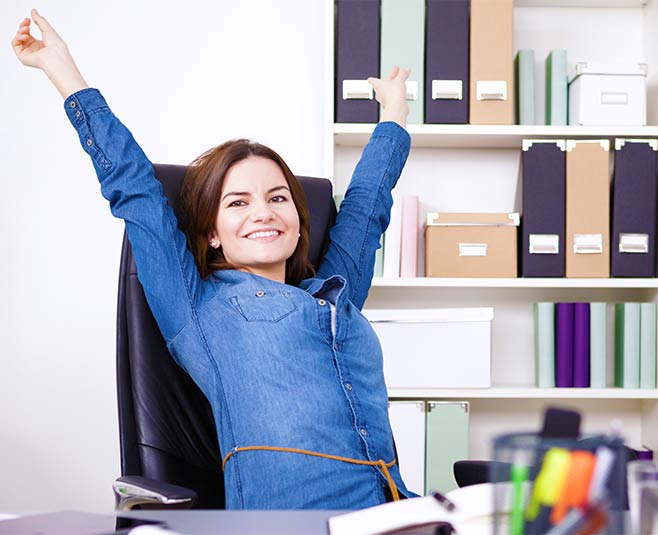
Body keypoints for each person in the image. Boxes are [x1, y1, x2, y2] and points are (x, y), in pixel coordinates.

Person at [11, 9, 418, 510]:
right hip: (298, 522)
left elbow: (366, 207)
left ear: (298, 216)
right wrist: (63, 71)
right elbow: (136, 191)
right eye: (238, 203)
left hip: (398, 511)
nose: (263, 213)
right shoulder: (200, 308)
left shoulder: (335, 293)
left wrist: (394, 112)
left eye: (278, 198)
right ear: (211, 233)